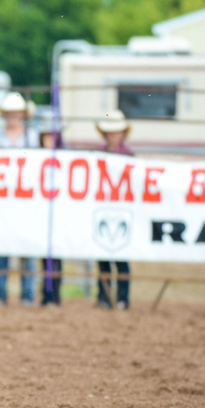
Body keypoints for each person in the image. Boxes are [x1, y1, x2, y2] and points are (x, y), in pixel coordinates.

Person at [0, 92, 39, 305]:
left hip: (26, 200)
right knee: (2, 248)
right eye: (10, 113)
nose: (13, 116)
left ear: (23, 114)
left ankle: (27, 295)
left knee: (27, 248)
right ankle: (0, 295)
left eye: (16, 112)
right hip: (3, 199)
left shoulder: (33, 137)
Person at [95, 109, 133, 310]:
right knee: (103, 258)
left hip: (122, 210)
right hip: (102, 208)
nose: (112, 136)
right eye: (109, 132)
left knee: (121, 258)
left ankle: (122, 298)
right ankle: (104, 296)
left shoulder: (128, 156)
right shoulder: (99, 154)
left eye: (115, 132)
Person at [37, 110, 64, 306]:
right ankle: (46, 293)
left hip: (61, 211)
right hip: (40, 210)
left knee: (58, 255)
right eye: (46, 135)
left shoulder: (66, 156)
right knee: (43, 256)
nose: (49, 139)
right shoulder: (35, 156)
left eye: (52, 135)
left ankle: (55, 293)